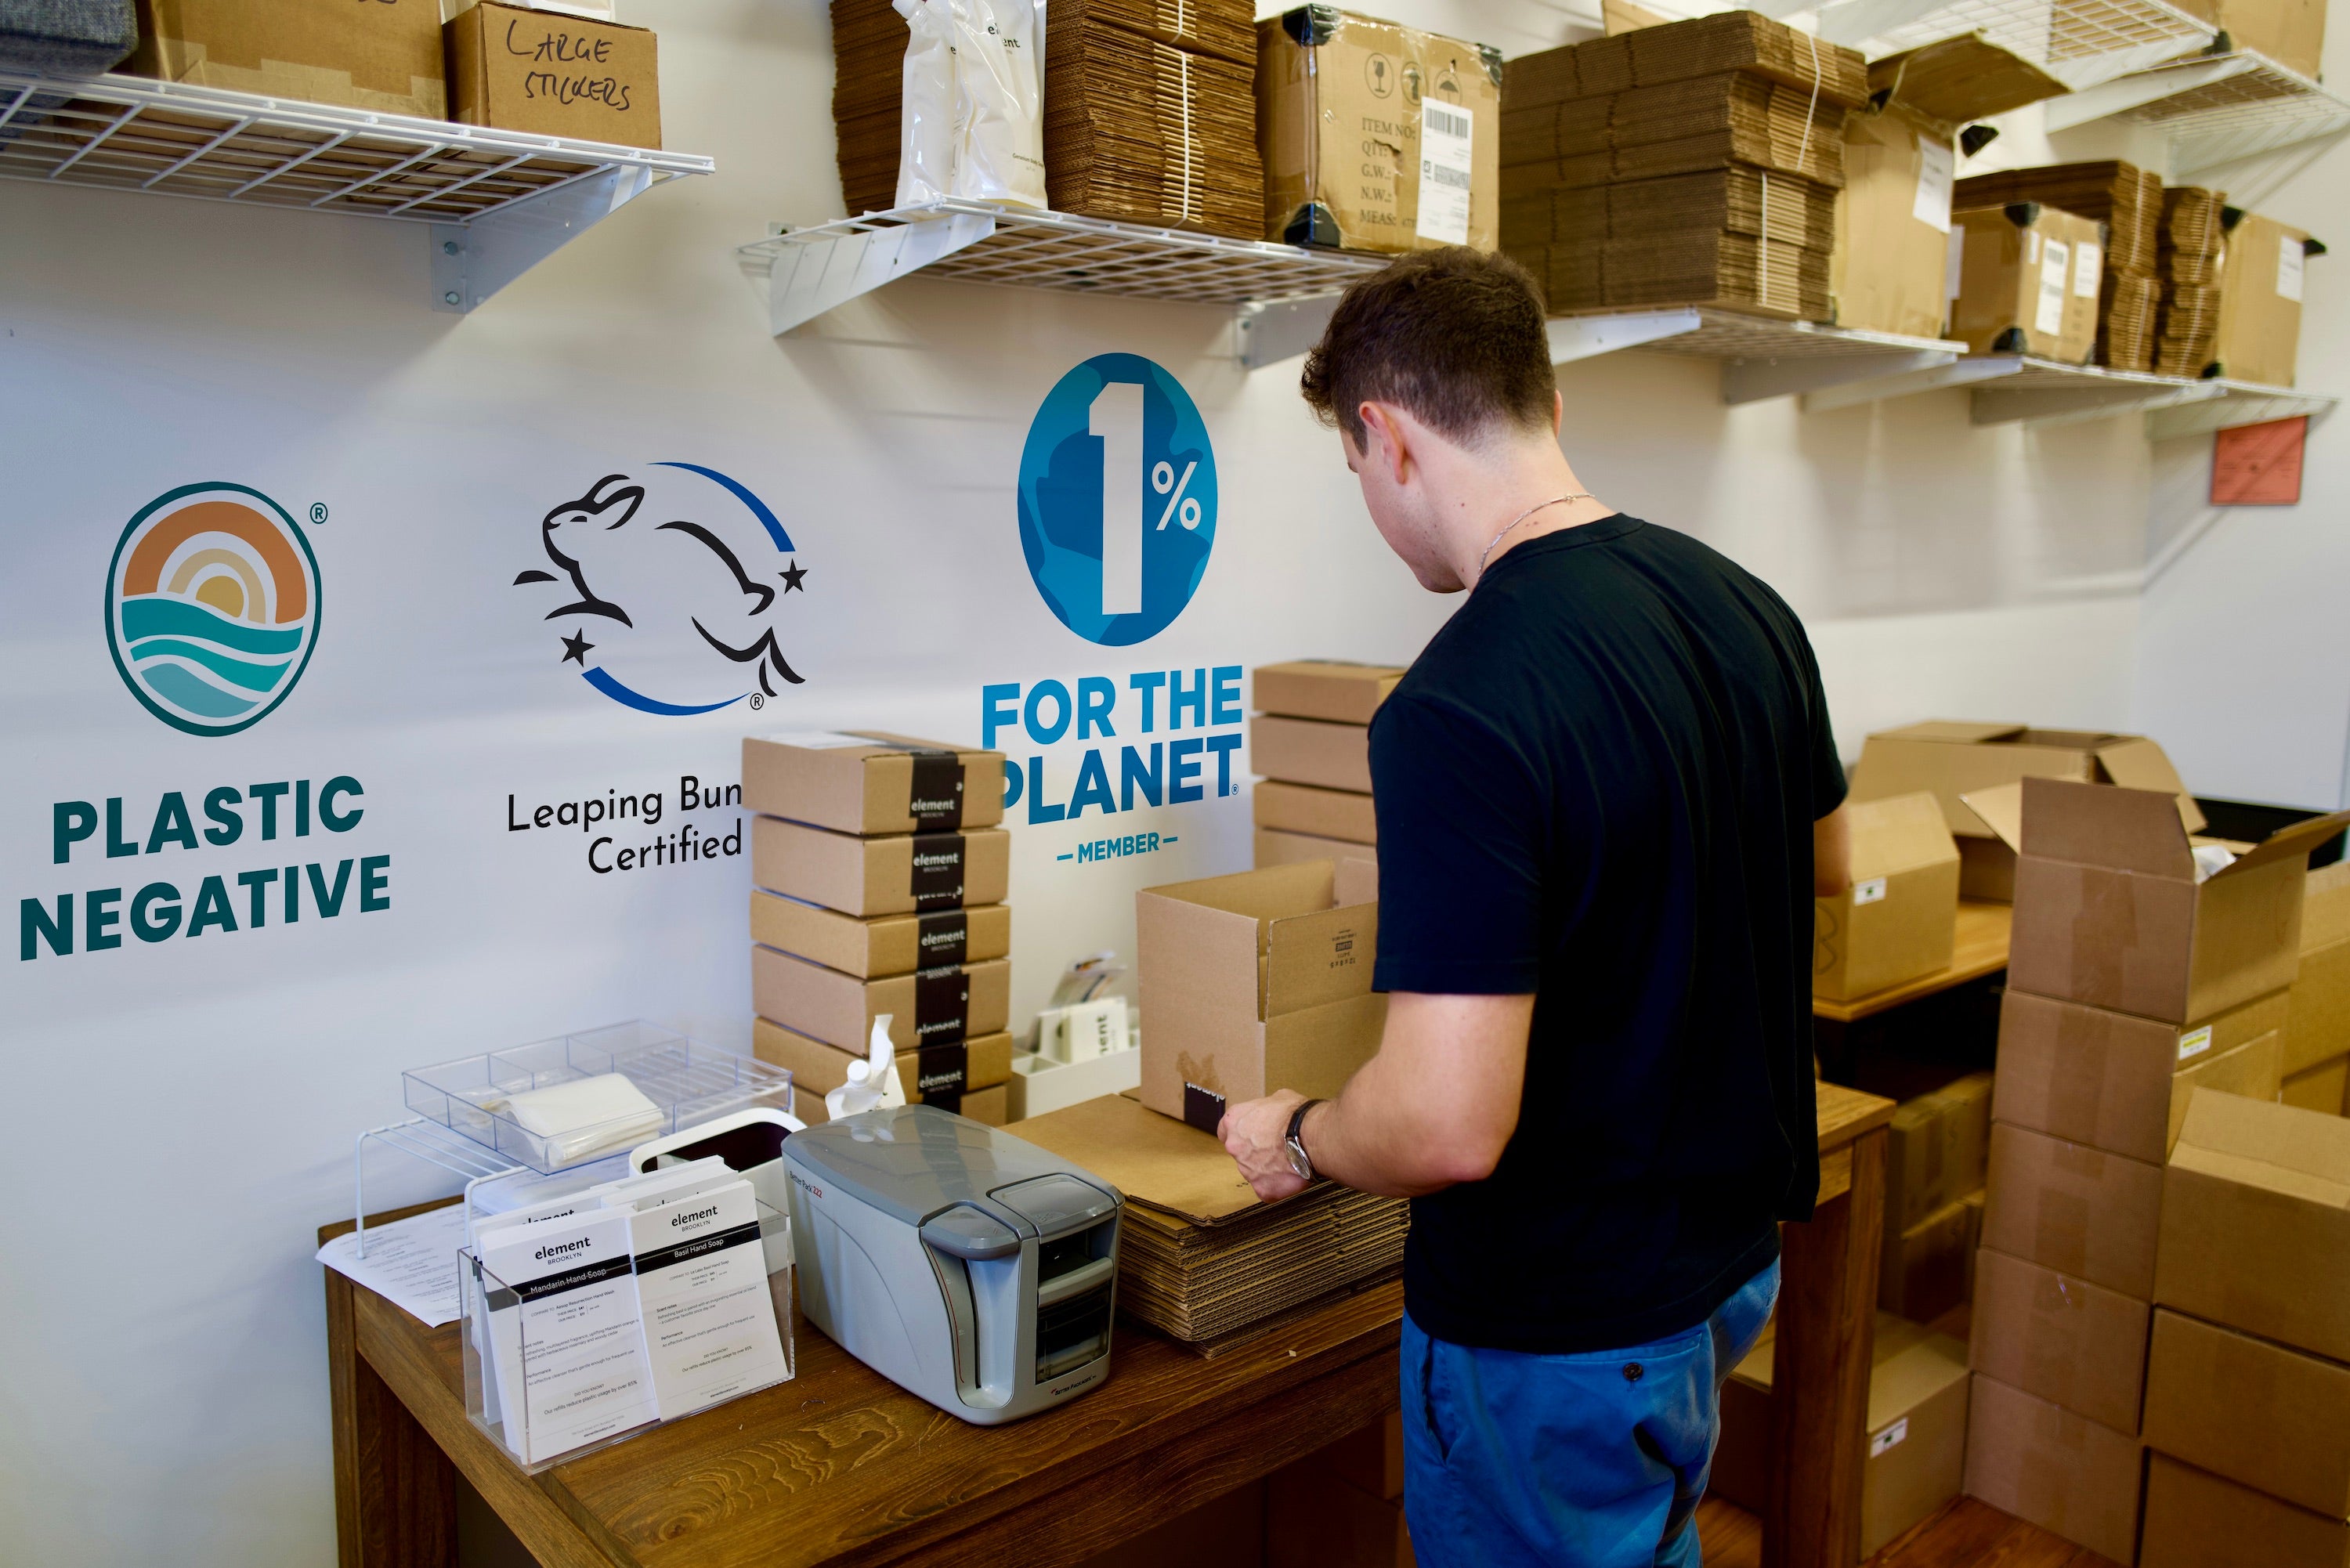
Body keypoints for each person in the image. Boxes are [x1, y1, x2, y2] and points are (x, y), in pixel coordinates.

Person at [1217, 247, 1852, 1568]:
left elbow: (1448, 1125)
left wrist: (1303, 1130)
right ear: (1548, 409)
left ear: (1383, 438)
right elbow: (1824, 867)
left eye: (1354, 476)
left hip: (1557, 1328)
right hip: (1723, 1273)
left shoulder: (1458, 704)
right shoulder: (1751, 613)